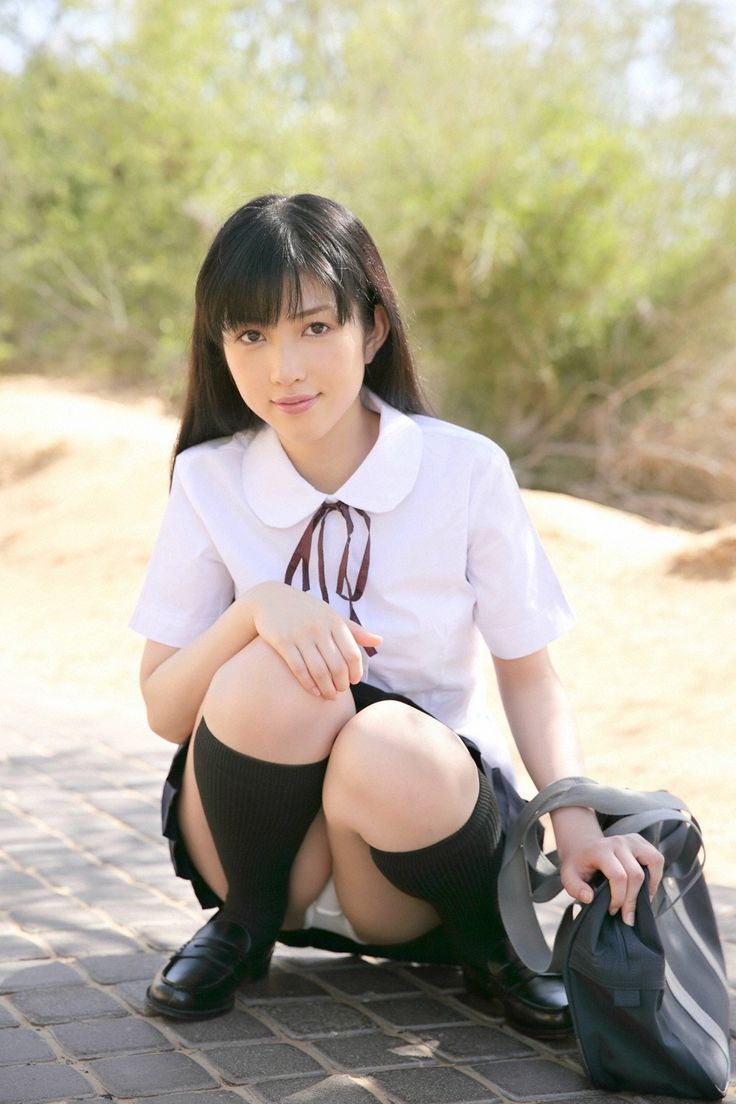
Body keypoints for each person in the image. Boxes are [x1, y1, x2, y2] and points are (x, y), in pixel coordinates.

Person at [130, 192, 663, 1033]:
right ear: (219, 345)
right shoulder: (209, 477)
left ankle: (491, 946)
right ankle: (243, 927)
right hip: (256, 849)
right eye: (251, 336)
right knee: (274, 669)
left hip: (412, 846)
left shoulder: (465, 471)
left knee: (382, 737)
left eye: (314, 327)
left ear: (372, 329)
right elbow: (166, 711)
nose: (284, 369)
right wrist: (257, 610)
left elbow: (530, 676)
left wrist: (576, 823)